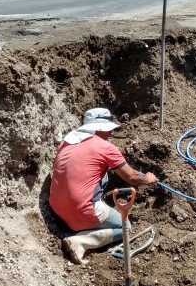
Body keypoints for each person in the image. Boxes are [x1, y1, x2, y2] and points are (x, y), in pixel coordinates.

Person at [49, 108, 158, 265]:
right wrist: (147, 179)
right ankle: (80, 242)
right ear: (99, 128)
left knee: (101, 173)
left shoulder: (66, 142)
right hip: (79, 213)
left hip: (57, 207)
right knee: (125, 227)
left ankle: (88, 218)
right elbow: (132, 177)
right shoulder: (105, 148)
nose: (110, 134)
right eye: (108, 130)